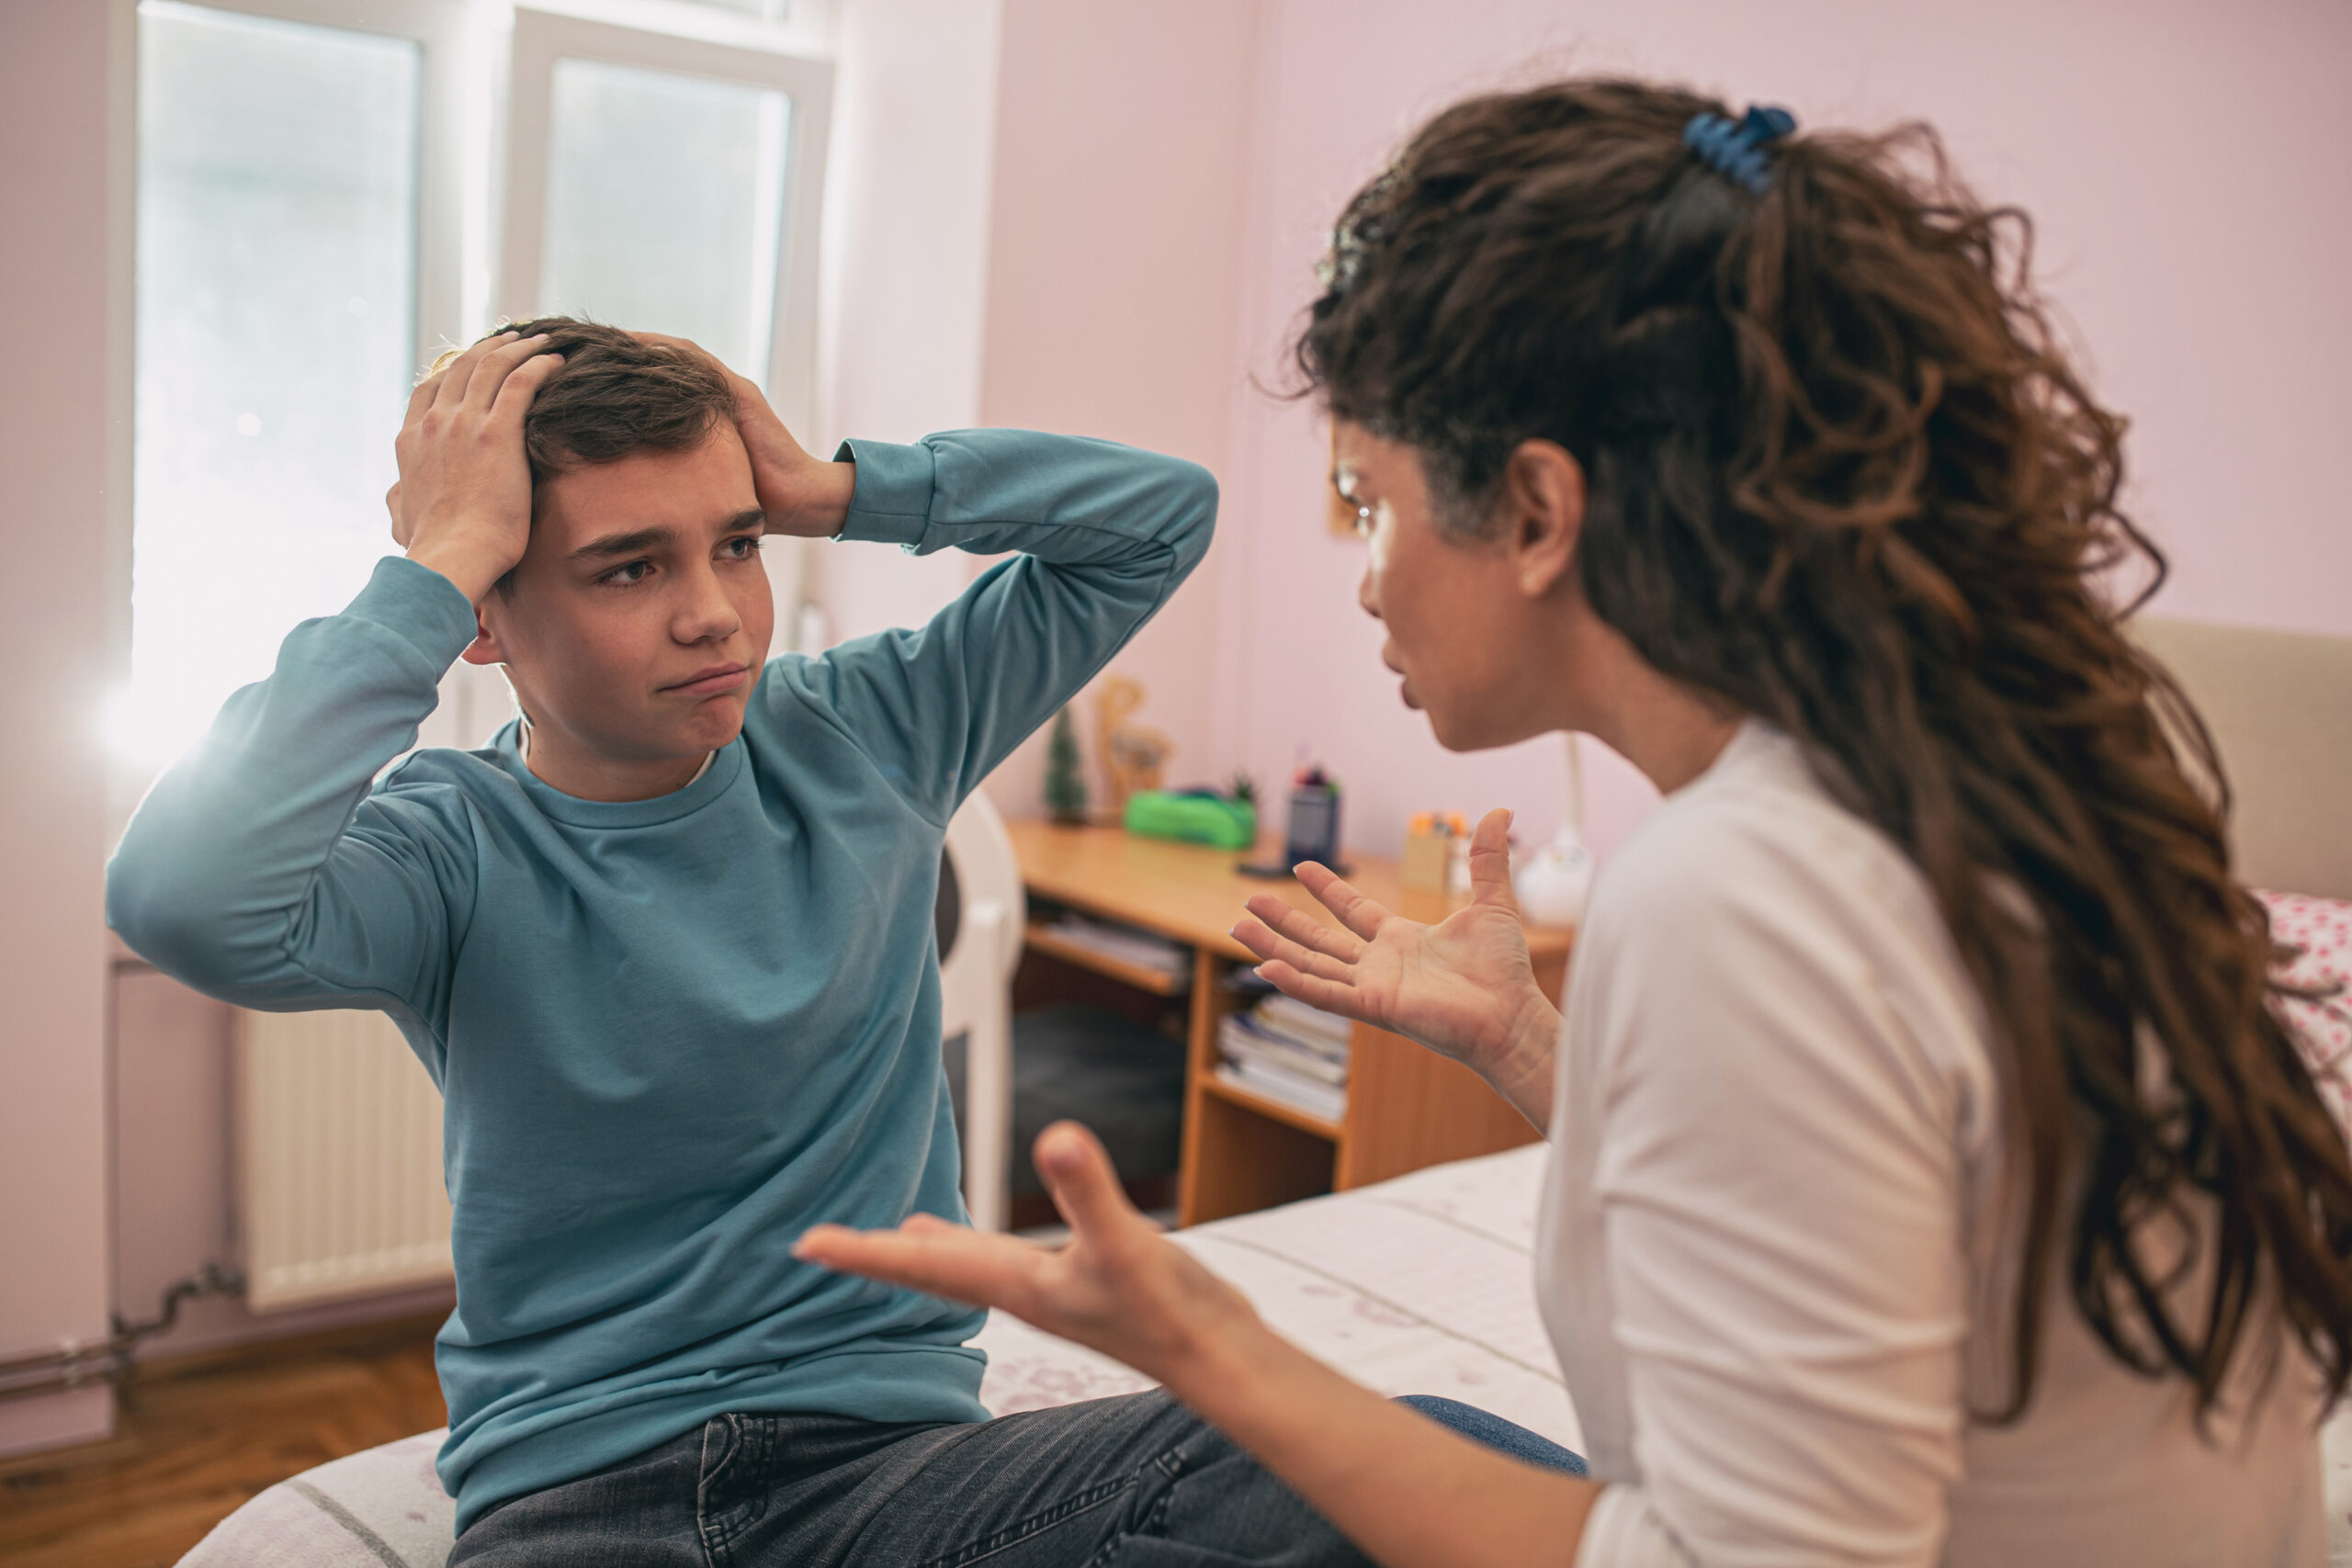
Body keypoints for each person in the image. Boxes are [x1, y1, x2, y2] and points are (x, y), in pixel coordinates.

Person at [797, 81, 2352, 1565]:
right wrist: (1532, 1047)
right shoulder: (1989, 796)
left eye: (1371, 503)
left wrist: (1209, 1346)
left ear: (1538, 512)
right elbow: (1889, 1230)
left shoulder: (1738, 887)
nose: (1366, 573)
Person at [114, 320, 1533, 1564]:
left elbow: (1161, 516)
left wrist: (839, 489)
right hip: (582, 1503)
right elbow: (183, 894)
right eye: (627, 569)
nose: (715, 612)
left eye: (735, 546)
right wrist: (430, 570)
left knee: (1439, 1474)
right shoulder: (446, 847)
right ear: (487, 617)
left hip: (906, 1477)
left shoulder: (869, 728)